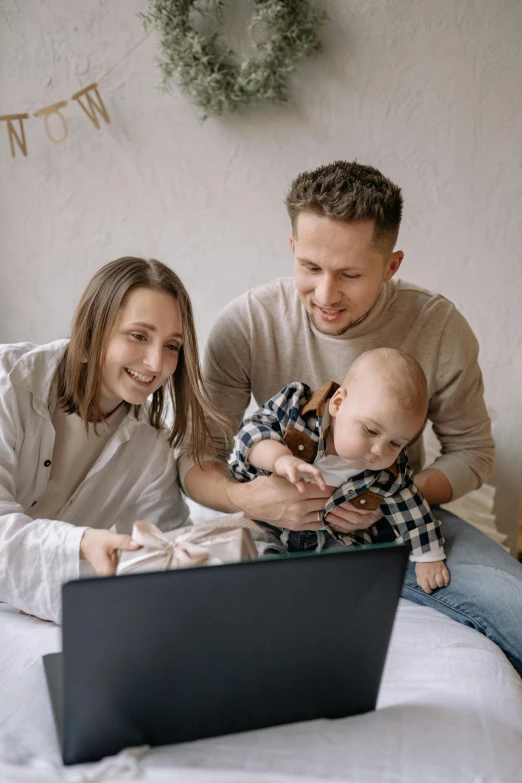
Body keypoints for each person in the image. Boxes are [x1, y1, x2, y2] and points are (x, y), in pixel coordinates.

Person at [178, 161, 522, 675]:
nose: (325, 295)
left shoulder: (438, 326)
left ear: (391, 265)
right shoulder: (247, 323)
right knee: (188, 620)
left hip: (386, 528)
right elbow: (197, 456)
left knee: (512, 611)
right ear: (293, 247)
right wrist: (245, 497)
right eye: (311, 268)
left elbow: (472, 452)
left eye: (351, 275)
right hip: (268, 523)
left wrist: (382, 500)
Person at [0, 256, 224, 624]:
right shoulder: (9, 382)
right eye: (138, 336)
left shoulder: (151, 448)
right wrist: (81, 544)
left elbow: (166, 548)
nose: (155, 363)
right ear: (91, 334)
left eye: (171, 346)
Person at [231, 348, 450, 595]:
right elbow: (250, 433)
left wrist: (428, 556)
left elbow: (411, 509)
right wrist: (280, 460)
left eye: (395, 443)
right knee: (248, 548)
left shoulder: (389, 471)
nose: (378, 451)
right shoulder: (297, 409)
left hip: (334, 537)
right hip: (268, 522)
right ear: (337, 403)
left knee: (352, 574)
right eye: (370, 430)